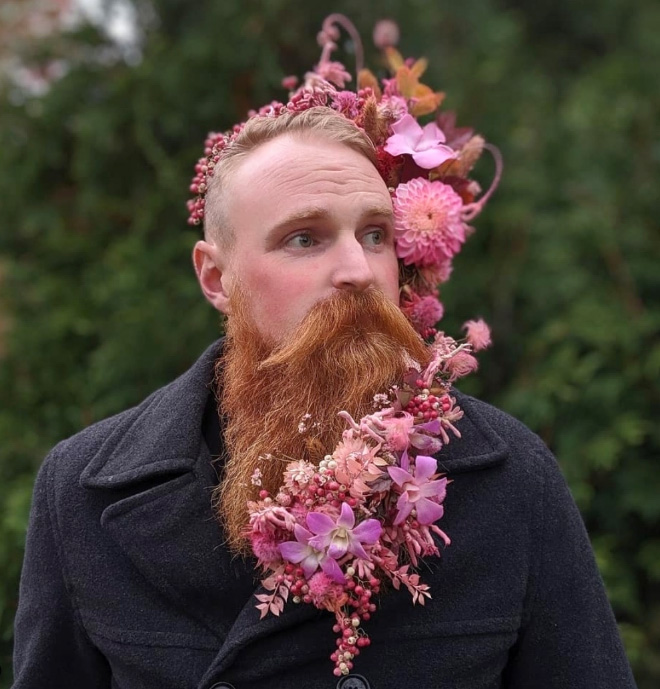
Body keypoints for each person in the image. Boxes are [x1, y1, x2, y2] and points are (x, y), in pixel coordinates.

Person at [12, 15, 636, 689]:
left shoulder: (510, 480)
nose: (358, 271)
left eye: (374, 234)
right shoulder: (81, 492)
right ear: (217, 279)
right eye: (304, 239)